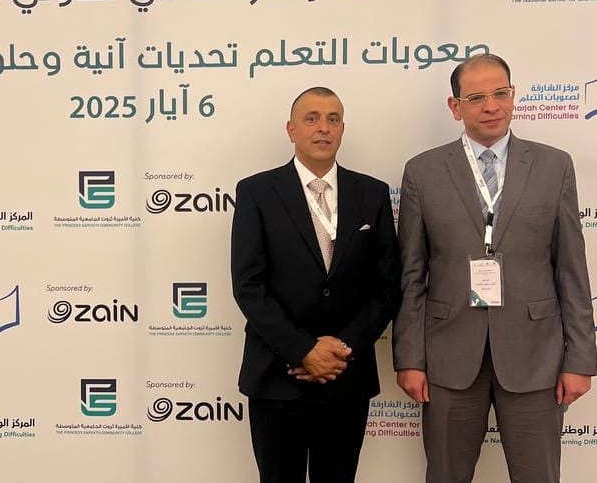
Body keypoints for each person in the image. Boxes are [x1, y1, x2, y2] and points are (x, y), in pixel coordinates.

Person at [392, 53, 597, 483]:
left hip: (536, 356)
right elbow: (411, 276)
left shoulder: (554, 165)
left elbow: (571, 270)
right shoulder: (422, 172)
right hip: (448, 358)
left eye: (500, 93)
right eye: (477, 97)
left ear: (513, 96)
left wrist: (580, 358)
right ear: (455, 107)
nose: (491, 106)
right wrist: (409, 358)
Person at [231, 86, 401, 483]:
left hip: (346, 375)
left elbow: (387, 285)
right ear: (291, 130)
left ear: (342, 129)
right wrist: (303, 349)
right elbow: (249, 286)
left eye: (333, 119)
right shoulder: (256, 192)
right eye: (312, 119)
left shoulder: (372, 193)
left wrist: (342, 348)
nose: (323, 127)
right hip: (277, 376)